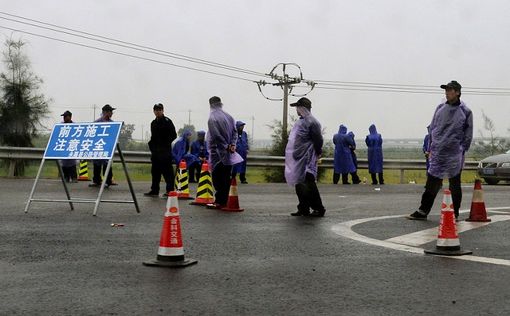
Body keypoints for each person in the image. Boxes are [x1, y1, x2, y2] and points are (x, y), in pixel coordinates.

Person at [407, 80, 473, 220]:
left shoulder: (465, 112)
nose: (447, 92)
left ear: (457, 92)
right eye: (446, 90)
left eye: (450, 90)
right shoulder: (440, 108)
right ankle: (423, 211)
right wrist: (431, 147)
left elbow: (468, 134)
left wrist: (461, 149)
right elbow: (433, 128)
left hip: (454, 155)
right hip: (438, 154)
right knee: (431, 183)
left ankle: (454, 213)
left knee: (455, 184)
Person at [285, 97, 326, 217]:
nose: (297, 110)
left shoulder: (312, 122)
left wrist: (318, 152)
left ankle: (318, 208)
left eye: (298, 107)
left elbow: (318, 140)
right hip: (298, 157)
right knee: (299, 182)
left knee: (309, 182)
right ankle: (303, 207)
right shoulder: (301, 122)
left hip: (307, 158)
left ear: (303, 108)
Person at [206, 96, 243, 208]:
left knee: (217, 178)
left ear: (211, 104)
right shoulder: (229, 117)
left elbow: (216, 135)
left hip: (217, 153)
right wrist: (232, 145)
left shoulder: (212, 118)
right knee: (226, 177)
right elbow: (235, 132)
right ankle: (225, 200)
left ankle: (220, 201)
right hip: (229, 153)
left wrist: (226, 146)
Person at [144, 103, 177, 197]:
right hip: (155, 153)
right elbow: (153, 137)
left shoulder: (167, 121)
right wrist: (152, 147)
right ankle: (154, 190)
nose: (158, 111)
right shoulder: (153, 123)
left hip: (165, 152)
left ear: (163, 110)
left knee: (168, 173)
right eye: (156, 110)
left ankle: (170, 190)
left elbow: (173, 135)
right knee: (155, 172)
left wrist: (165, 144)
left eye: (159, 110)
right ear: (153, 111)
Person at [89, 104, 117, 187]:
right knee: (97, 164)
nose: (111, 113)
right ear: (105, 112)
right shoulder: (97, 122)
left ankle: (108, 181)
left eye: (112, 112)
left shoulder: (112, 123)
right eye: (110, 111)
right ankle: (97, 181)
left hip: (107, 147)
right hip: (98, 146)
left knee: (107, 164)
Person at [59, 110, 78, 183]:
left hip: (72, 145)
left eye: (65, 116)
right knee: (64, 162)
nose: (64, 118)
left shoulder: (74, 125)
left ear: (69, 117)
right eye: (63, 117)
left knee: (72, 162)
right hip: (63, 145)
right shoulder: (61, 125)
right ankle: (66, 177)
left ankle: (74, 177)